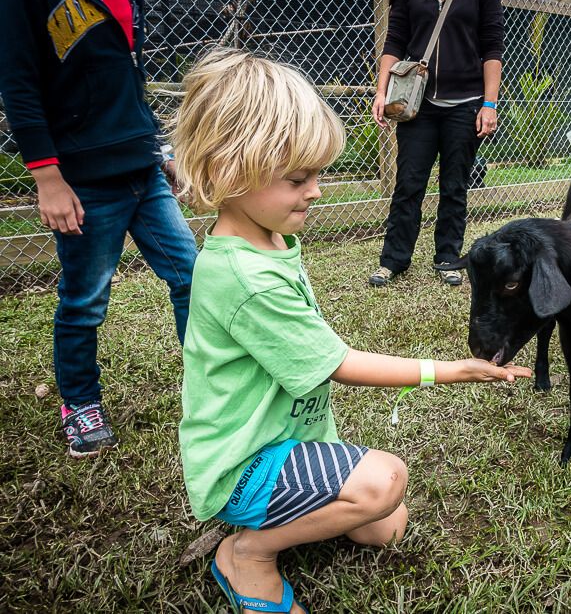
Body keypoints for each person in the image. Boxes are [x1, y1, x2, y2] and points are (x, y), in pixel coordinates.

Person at [172, 49, 531, 613]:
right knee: (385, 481)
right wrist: (450, 371)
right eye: (297, 178)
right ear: (227, 171)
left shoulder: (270, 241)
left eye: (317, 174)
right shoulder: (244, 277)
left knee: (385, 527)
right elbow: (337, 362)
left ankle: (297, 513)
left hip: (292, 441)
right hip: (242, 465)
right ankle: (249, 552)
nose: (315, 190)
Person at [0, 0, 197, 458]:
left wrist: (159, 149)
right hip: (83, 179)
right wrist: (48, 178)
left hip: (142, 169)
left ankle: (211, 382)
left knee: (192, 276)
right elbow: (18, 84)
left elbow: (127, 78)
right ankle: (81, 405)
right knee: (85, 302)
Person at [369, 0, 504, 287]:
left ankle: (447, 258)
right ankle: (393, 260)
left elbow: (492, 47)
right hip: (418, 104)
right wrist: (381, 92)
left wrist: (489, 104)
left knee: (454, 185)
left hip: (466, 104)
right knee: (408, 184)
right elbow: (394, 41)